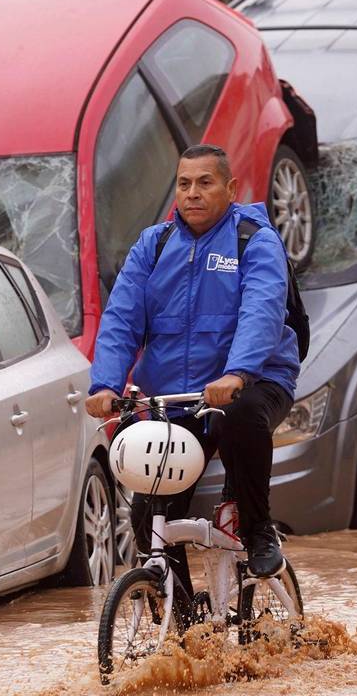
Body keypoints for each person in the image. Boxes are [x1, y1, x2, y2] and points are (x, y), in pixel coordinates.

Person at [86, 143, 300, 595]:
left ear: (231, 188)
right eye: (184, 184)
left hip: (254, 382)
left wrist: (237, 373)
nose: (192, 193)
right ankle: (184, 623)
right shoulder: (154, 244)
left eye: (205, 182)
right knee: (148, 519)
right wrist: (105, 384)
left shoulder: (254, 240)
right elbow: (122, 317)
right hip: (178, 399)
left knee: (239, 416)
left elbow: (261, 310)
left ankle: (258, 531)